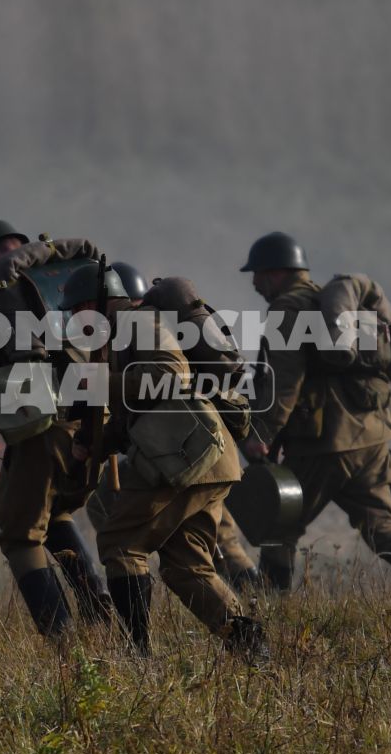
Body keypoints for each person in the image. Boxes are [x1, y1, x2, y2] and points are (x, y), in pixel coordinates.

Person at [239, 231, 391, 600]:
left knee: (279, 524)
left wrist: (260, 435)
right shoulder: (332, 306)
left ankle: (272, 613)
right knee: (380, 526)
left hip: (323, 445)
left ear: (274, 272)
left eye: (256, 273)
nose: (254, 283)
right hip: (372, 438)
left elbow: (284, 384)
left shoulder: (287, 310)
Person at [64, 264, 265, 657]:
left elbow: (171, 375)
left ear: (90, 304)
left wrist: (98, 382)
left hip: (182, 457)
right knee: (185, 566)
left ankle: (137, 657)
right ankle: (252, 647)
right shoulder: (119, 338)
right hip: (204, 459)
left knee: (121, 543)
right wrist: (96, 445)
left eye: (74, 312)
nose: (74, 322)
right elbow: (135, 414)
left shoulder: (138, 322)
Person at [0, 220, 114, 636]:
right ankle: (96, 601)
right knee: (57, 511)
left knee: (20, 536)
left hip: (38, 428)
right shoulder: (76, 270)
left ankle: (61, 638)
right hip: (93, 425)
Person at [140, 275, 263, 592]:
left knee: (128, 542)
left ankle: (249, 599)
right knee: (221, 534)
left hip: (185, 450)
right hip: (215, 447)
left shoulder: (153, 338)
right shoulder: (188, 330)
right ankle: (255, 596)